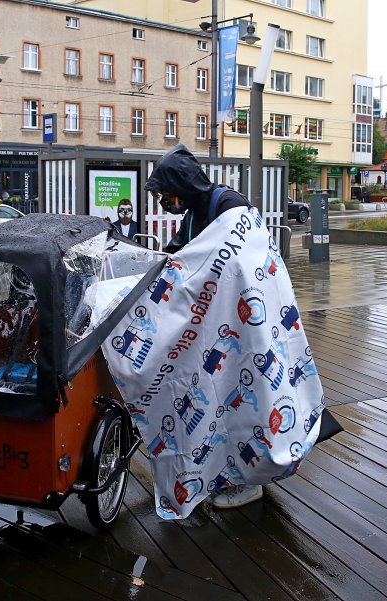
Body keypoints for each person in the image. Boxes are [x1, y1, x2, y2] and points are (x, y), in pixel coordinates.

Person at [143, 143, 262, 509]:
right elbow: (176, 255)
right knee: (219, 401)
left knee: (246, 404)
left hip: (245, 324)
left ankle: (252, 480)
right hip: (217, 324)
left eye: (167, 193)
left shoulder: (228, 205)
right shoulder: (195, 212)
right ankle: (224, 472)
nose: (165, 201)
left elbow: (239, 261)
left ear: (184, 185)